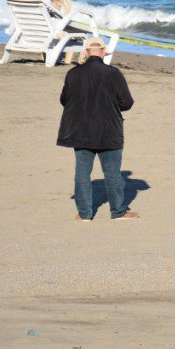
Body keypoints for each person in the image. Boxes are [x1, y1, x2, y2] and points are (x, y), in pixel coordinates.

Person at [58, 37, 137, 221]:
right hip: (108, 130)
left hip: (81, 129)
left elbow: (65, 100)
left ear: (86, 52)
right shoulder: (113, 73)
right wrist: (111, 106)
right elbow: (127, 102)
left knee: (83, 173)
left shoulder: (73, 73)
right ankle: (118, 211)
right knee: (112, 173)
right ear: (102, 52)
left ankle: (84, 213)